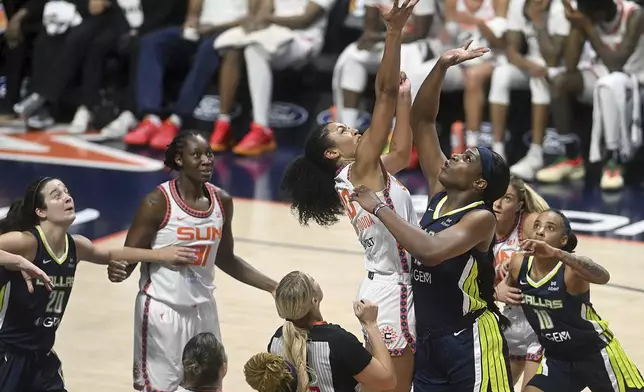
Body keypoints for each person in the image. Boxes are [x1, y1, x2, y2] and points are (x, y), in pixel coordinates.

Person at [349, 41, 514, 391]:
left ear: (480, 183)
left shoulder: (481, 218)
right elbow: (423, 120)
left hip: (470, 337)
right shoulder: (441, 195)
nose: (454, 157)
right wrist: (440, 67)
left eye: (467, 159)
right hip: (428, 338)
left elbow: (432, 250)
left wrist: (379, 208)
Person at [282, 2, 418, 390]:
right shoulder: (360, 170)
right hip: (390, 288)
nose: (353, 130)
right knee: (394, 388)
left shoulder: (360, 173)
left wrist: (405, 101)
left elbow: (404, 153)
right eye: (343, 130)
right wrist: (394, 33)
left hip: (391, 284)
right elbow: (383, 95)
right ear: (332, 152)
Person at [106, 131, 278, 392]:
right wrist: (118, 269)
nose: (206, 160)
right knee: (162, 388)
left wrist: (272, 286)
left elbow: (226, 258)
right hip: (163, 309)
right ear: (179, 159)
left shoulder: (222, 201)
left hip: (203, 308)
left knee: (210, 386)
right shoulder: (156, 202)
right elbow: (129, 256)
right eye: (196, 155)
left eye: (208, 153)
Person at [0, 176, 195, 392]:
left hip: (42, 356)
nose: (67, 198)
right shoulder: (26, 243)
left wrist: (160, 254)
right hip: (8, 354)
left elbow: (112, 253)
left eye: (66, 192)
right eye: (57, 196)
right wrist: (16, 260)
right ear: (41, 212)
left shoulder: (76, 245)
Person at [504, 209, 644, 391]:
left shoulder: (570, 270)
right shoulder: (518, 263)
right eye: (537, 225)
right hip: (557, 357)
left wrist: (558, 254)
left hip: (594, 352)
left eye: (550, 227)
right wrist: (498, 289)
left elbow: (603, 277)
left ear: (563, 240)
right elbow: (503, 287)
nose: (540, 231)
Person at [540, 0, 644, 191]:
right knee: (560, 82)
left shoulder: (634, 15)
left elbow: (616, 63)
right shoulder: (590, 17)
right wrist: (575, 26)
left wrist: (587, 27)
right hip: (601, 74)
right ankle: (570, 157)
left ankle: (614, 162)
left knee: (609, 84)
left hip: (634, 80)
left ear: (597, 15)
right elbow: (571, 64)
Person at [209, 0, 336, 155]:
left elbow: (304, 20)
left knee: (254, 48)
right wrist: (256, 22)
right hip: (272, 32)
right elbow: (264, 9)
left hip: (303, 39)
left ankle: (262, 129)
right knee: (230, 44)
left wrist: (267, 20)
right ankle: (223, 123)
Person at [123, 0, 247, 150]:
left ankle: (176, 120)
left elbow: (253, 19)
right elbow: (194, 8)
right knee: (151, 42)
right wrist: (191, 20)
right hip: (201, 30)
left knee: (208, 49)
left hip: (230, 31)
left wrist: (214, 27)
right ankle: (151, 119)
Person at [267, 271, 397, 392]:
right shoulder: (337, 341)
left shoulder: (276, 340)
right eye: (313, 280)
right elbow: (387, 380)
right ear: (314, 300)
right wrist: (371, 324)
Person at [487, 0, 571, 176]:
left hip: (560, 68)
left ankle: (536, 154)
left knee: (538, 78)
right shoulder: (518, 4)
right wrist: (527, 65)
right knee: (501, 74)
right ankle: (497, 151)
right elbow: (511, 51)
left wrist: (538, 22)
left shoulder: (560, 8)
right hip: (530, 64)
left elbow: (553, 57)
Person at [492, 176, 550, 388]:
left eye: (506, 198)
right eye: (496, 197)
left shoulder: (529, 223)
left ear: (518, 205)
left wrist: (520, 262)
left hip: (541, 323)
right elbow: (471, 284)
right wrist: (495, 291)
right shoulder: (480, 227)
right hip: (512, 322)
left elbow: (555, 255)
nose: (497, 203)